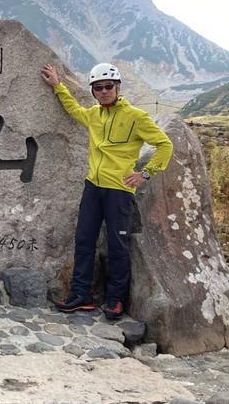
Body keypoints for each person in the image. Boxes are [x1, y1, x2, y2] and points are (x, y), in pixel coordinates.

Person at [40, 62, 173, 319]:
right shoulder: (95, 115)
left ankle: (115, 300)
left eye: (108, 86)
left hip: (119, 191)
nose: (103, 91)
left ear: (117, 87)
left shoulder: (136, 117)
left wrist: (146, 173)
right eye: (98, 88)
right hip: (93, 186)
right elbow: (73, 109)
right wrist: (58, 86)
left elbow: (164, 145)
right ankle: (81, 296)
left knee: (117, 246)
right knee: (84, 241)